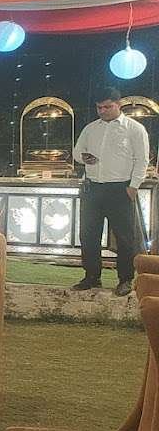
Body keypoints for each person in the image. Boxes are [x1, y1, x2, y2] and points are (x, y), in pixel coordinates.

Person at [73, 88, 149, 296]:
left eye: (107, 107)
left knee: (125, 237)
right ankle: (92, 277)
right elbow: (77, 152)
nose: (102, 111)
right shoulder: (90, 129)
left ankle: (125, 279)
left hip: (120, 189)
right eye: (99, 107)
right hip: (93, 188)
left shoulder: (134, 129)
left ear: (119, 105)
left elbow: (142, 160)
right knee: (88, 235)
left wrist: (133, 186)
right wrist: (83, 157)